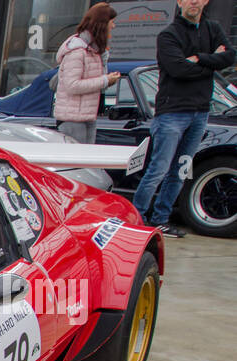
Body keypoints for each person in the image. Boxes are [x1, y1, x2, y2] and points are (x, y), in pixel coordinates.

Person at [132, 0, 235, 236]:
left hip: (200, 113)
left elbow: (230, 57)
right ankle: (137, 218)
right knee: (158, 169)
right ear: (179, 1)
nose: (194, 2)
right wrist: (211, 60)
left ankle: (161, 219)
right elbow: (177, 69)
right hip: (171, 113)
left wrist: (199, 58)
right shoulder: (168, 35)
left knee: (180, 170)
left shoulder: (213, 29)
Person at [53, 3, 120, 145]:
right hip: (72, 119)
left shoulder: (94, 51)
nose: (113, 26)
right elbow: (72, 85)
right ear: (102, 24)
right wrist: (105, 80)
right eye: (112, 22)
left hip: (87, 116)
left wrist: (105, 70)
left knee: (86, 163)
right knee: (76, 163)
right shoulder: (77, 50)